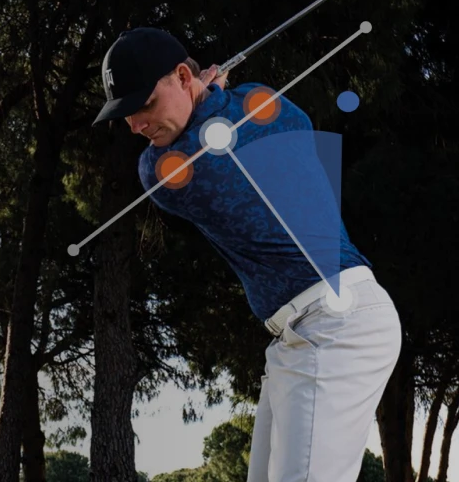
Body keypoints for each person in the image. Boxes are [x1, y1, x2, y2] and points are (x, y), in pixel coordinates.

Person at [92, 27, 402, 482]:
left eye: (144, 105)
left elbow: (216, 153)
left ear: (182, 75)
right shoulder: (252, 101)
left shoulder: (163, 168)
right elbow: (283, 123)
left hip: (338, 324)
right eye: (126, 115)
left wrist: (213, 98)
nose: (136, 125)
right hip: (300, 333)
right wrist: (217, 96)